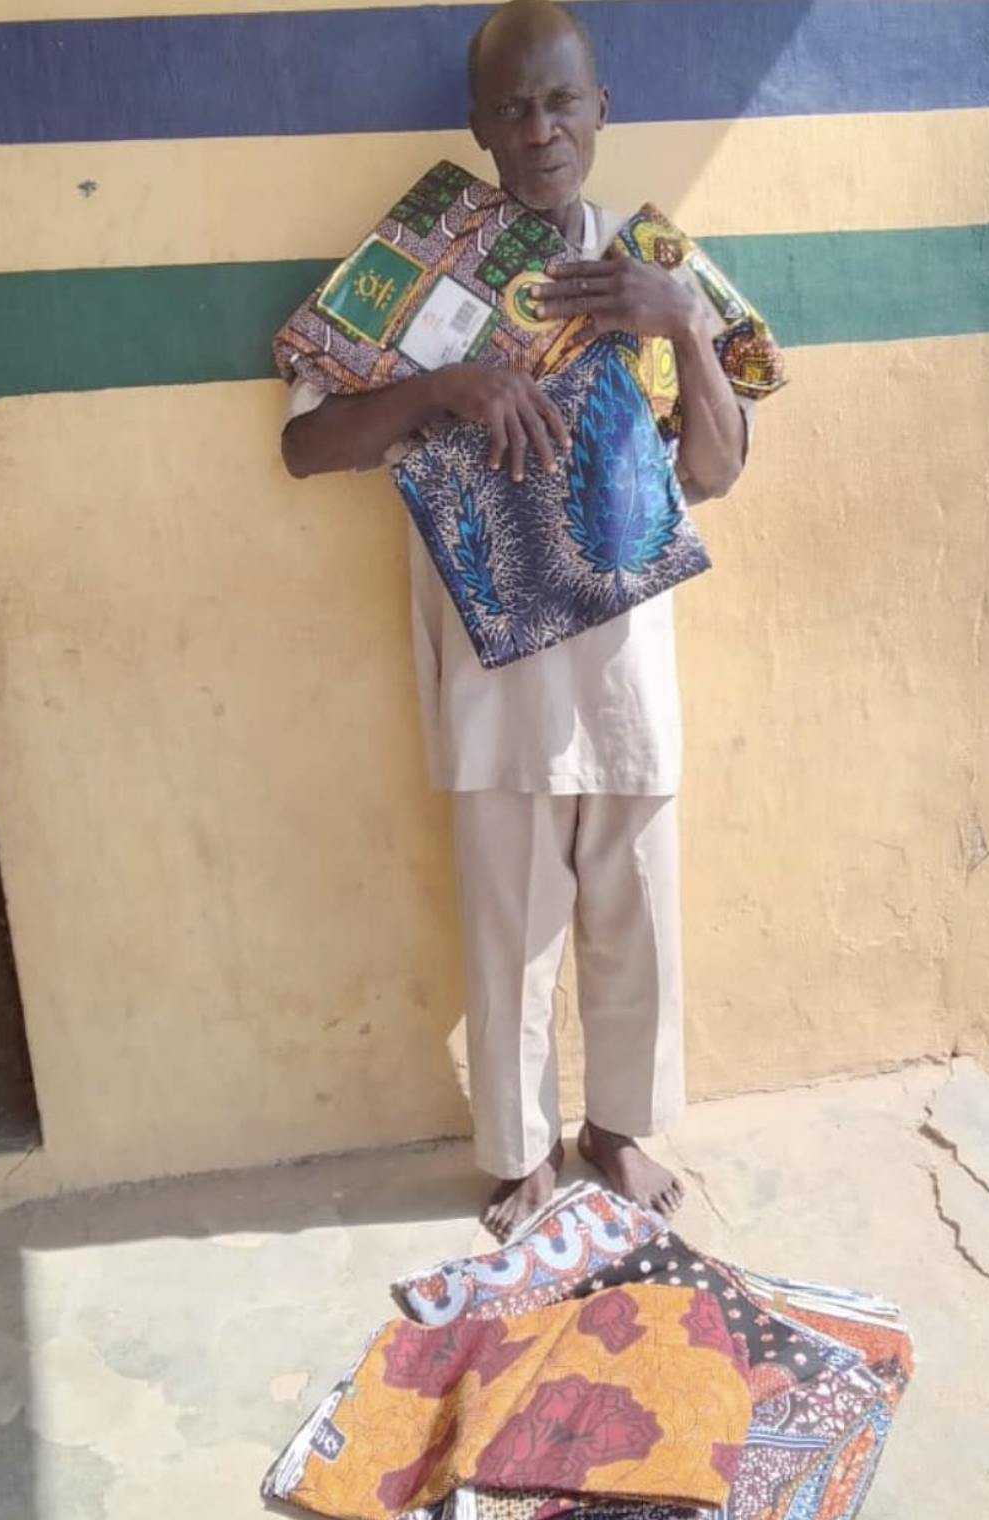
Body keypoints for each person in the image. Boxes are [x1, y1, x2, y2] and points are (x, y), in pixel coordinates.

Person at [281, 0, 752, 1239]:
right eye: (513, 107)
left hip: (626, 660)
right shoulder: (414, 267)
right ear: (479, 127)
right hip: (490, 674)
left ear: (605, 108)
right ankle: (521, 1150)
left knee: (636, 913)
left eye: (562, 100)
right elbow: (304, 443)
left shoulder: (659, 264)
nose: (540, 128)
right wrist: (446, 386)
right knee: (508, 929)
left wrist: (684, 330)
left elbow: (719, 468)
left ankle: (616, 1129)